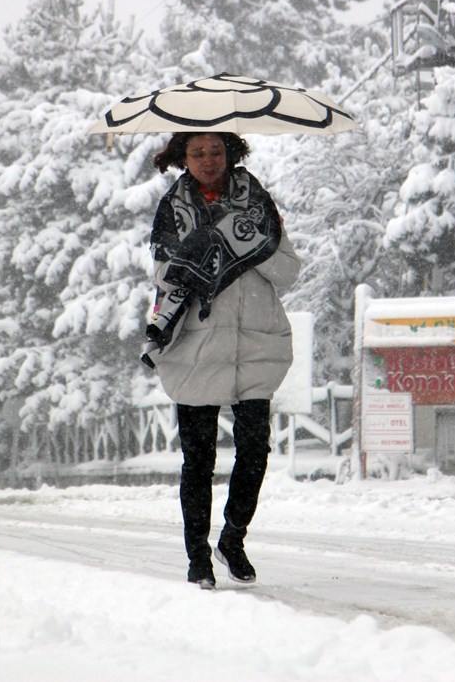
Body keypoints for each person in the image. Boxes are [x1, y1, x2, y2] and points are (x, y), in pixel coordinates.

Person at [144, 132, 300, 589]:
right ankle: (198, 557)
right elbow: (164, 275)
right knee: (198, 460)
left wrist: (248, 241)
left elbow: (288, 271)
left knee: (255, 452)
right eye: (198, 153)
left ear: (230, 153)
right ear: (183, 158)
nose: (208, 160)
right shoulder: (172, 210)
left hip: (255, 347)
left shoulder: (259, 206)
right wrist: (205, 244)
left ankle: (232, 540)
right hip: (196, 349)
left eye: (216, 151)